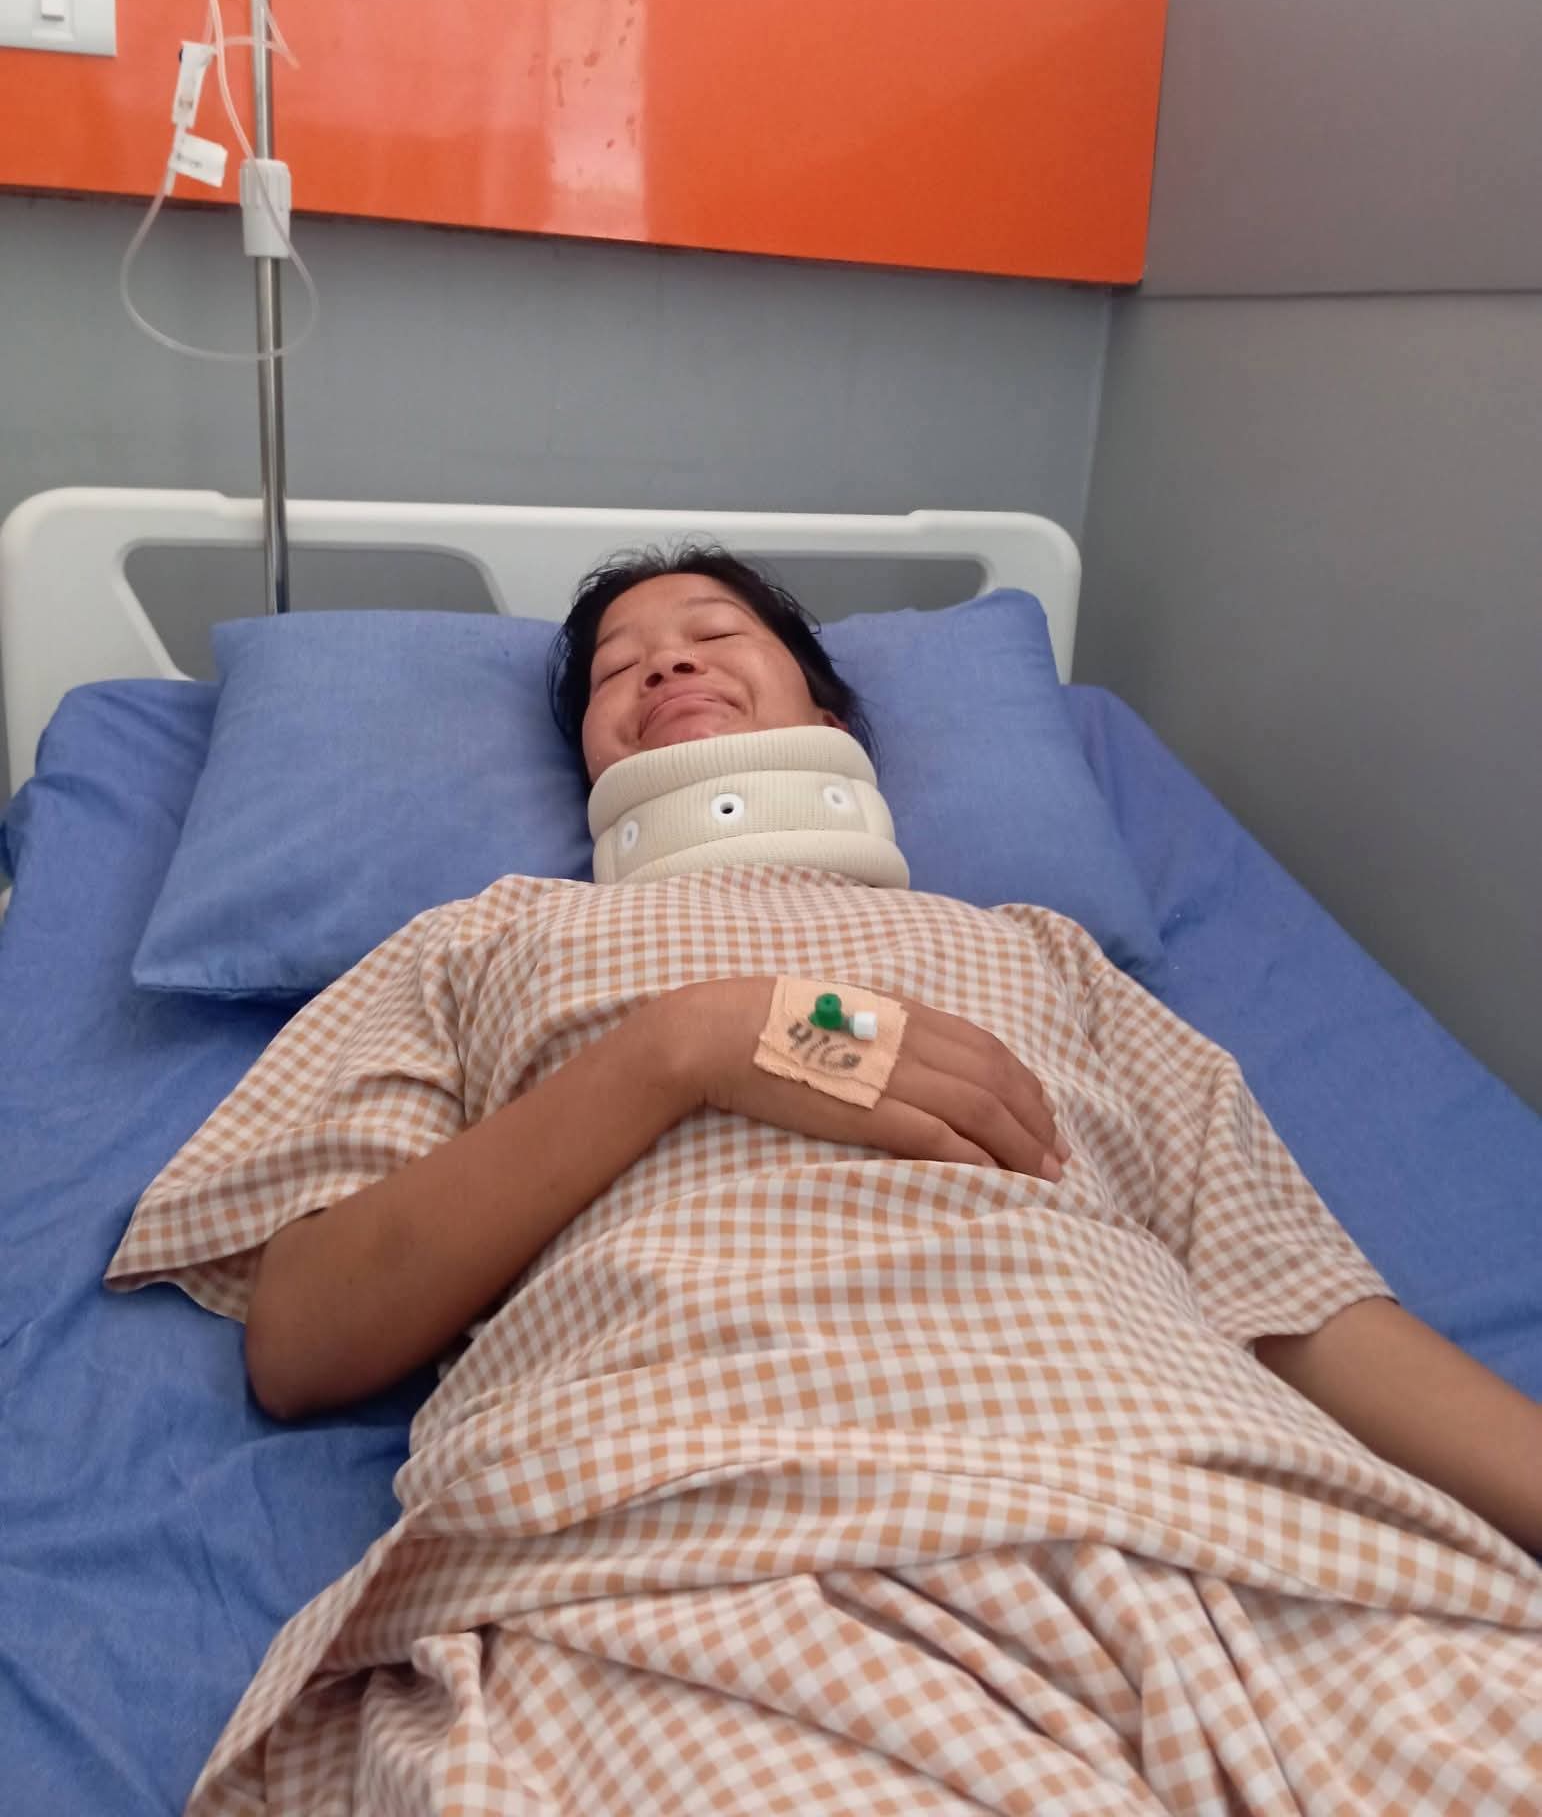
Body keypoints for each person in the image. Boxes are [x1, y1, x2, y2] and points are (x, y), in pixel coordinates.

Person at [107, 545, 1542, 1816]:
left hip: (1197, 1497)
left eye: (714, 634)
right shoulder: (485, 940)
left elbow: (1303, 1313)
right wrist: (689, 1047)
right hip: (709, 1531)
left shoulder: (1046, 952)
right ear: (592, 761)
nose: (664, 663)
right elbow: (305, 1337)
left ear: (831, 718)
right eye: (616, 667)